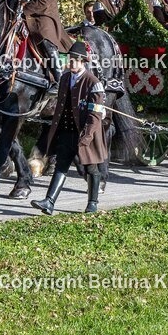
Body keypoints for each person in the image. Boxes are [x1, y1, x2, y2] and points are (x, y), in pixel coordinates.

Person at [31, 41, 107, 215]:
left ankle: (93, 203)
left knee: (91, 168)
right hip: (66, 131)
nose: (70, 62)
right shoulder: (65, 78)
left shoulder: (93, 83)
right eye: (69, 59)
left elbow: (95, 115)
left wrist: (86, 136)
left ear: (82, 61)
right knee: (61, 165)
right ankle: (49, 202)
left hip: (88, 134)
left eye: (74, 60)